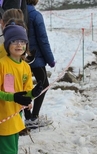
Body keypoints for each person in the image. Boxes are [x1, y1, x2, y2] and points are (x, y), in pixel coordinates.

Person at [0, 24, 43, 154]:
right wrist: (13, 98)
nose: (19, 45)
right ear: (7, 44)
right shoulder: (2, 64)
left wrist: (34, 93)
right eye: (14, 41)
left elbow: (25, 93)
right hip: (4, 118)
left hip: (16, 118)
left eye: (22, 41)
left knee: (11, 152)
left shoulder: (25, 67)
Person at [24, 0, 55, 129]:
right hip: (35, 58)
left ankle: (28, 116)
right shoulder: (35, 15)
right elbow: (42, 39)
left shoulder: (18, 12)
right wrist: (50, 59)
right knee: (44, 84)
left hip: (21, 57)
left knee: (23, 86)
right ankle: (33, 117)